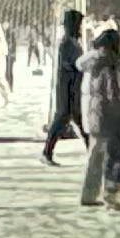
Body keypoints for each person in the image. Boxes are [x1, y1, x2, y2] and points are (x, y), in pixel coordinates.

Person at [81, 25, 120, 212]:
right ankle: (111, 189)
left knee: (101, 154)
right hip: (111, 115)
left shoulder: (99, 61)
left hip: (98, 113)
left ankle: (96, 193)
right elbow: (115, 93)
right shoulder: (110, 64)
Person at [39, 9, 86, 165]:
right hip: (68, 88)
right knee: (67, 119)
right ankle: (47, 152)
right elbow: (69, 64)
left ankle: (95, 153)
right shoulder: (67, 43)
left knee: (76, 120)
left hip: (73, 87)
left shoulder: (70, 42)